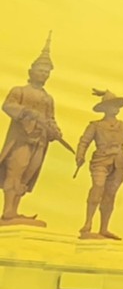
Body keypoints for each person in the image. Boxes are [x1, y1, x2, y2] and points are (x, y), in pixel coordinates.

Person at [1, 35, 65, 226]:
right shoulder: (19, 91)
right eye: (41, 70)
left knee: (27, 174)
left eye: (47, 72)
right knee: (15, 171)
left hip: (39, 142)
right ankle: (7, 212)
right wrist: (28, 113)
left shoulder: (48, 98)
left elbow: (50, 119)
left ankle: (14, 209)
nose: (44, 74)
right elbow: (8, 106)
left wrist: (54, 131)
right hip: (21, 140)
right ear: (31, 71)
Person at [76, 89, 123, 240]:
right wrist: (80, 155)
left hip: (119, 163)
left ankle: (104, 228)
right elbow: (84, 141)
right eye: (112, 105)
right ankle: (88, 223)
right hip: (100, 160)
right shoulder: (95, 125)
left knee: (110, 195)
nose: (115, 108)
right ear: (105, 108)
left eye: (117, 106)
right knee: (98, 187)